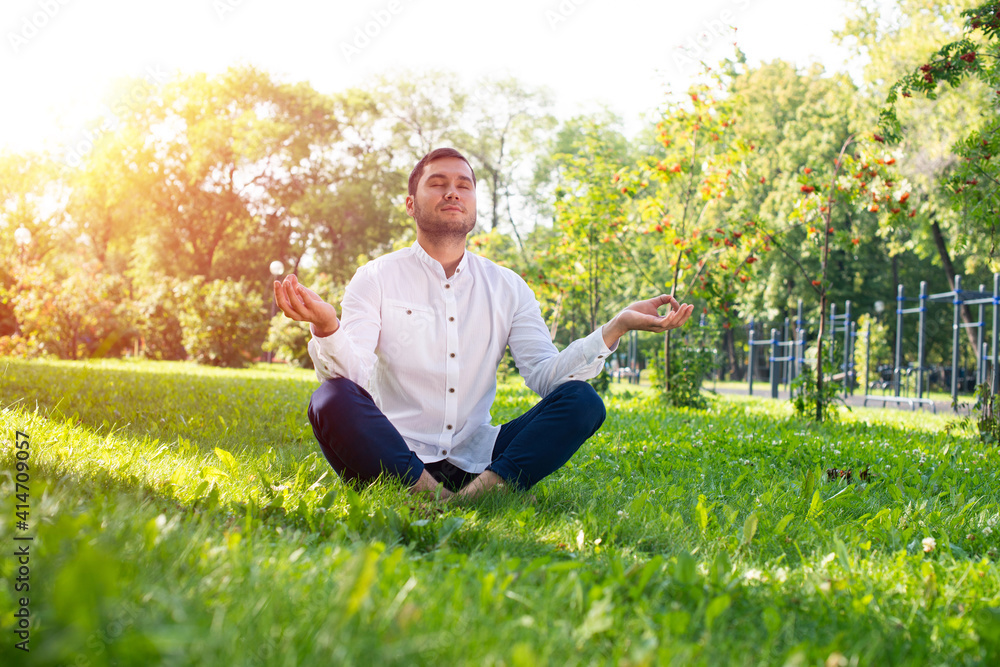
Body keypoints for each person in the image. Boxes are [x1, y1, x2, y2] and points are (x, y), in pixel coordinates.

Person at [273, 147, 694, 500]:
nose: (452, 192)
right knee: (330, 399)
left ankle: (478, 496)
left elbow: (547, 377)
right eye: (437, 183)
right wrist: (328, 327)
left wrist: (615, 327)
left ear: (474, 202)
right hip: (393, 454)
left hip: (478, 458)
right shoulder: (376, 277)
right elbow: (355, 377)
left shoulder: (509, 287)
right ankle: (429, 495)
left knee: (582, 401)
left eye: (464, 185)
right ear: (411, 203)